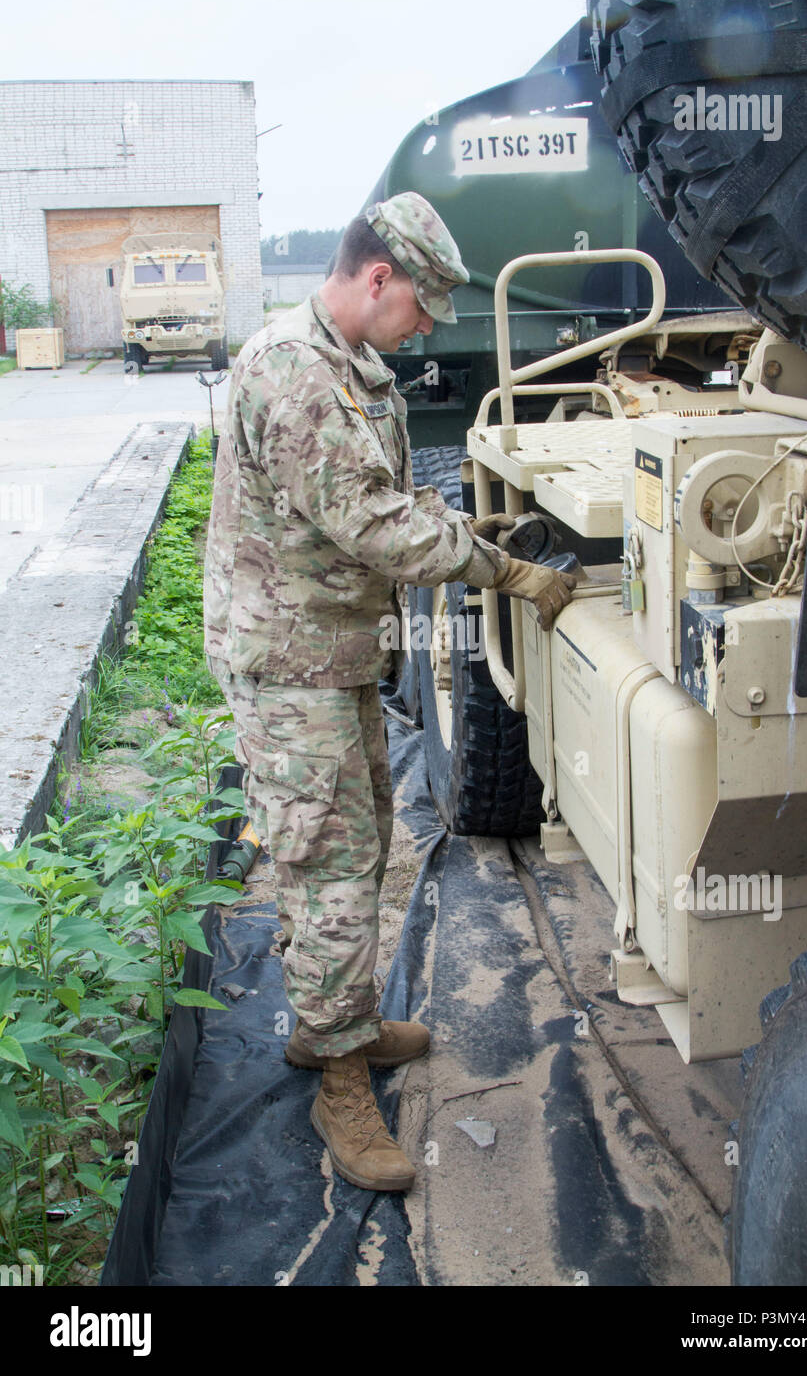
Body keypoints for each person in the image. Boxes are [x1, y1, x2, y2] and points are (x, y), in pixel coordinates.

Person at [203, 192, 576, 1192]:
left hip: (329, 654)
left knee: (359, 842)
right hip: (289, 664)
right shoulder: (294, 374)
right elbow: (379, 527)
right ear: (377, 279)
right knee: (328, 863)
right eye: (420, 308)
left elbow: (394, 492)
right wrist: (504, 569)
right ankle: (335, 1079)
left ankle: (343, 1023)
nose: (424, 331)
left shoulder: (350, 364)